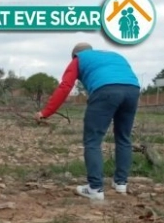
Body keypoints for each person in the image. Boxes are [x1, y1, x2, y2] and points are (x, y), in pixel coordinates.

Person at [36, 43, 140, 201]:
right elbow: (119, 77)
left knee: (92, 140)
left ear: (74, 55)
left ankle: (95, 188)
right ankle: (121, 183)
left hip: (105, 90)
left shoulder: (79, 59)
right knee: (124, 138)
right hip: (132, 90)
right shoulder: (115, 56)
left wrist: (45, 112)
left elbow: (65, 87)